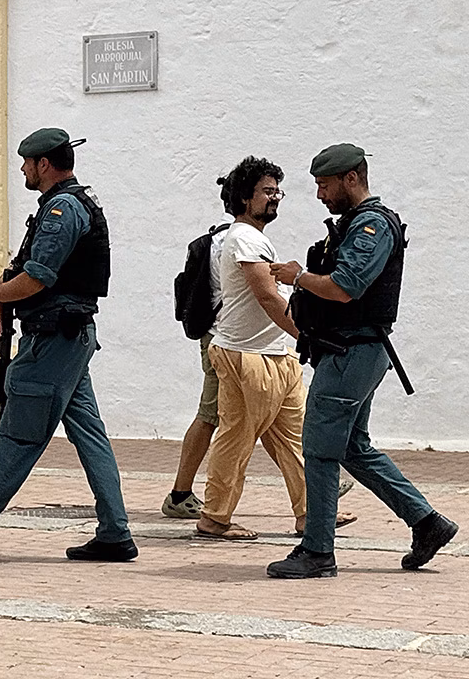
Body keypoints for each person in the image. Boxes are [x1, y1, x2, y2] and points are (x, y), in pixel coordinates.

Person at [0, 127, 136, 563]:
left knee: (20, 436)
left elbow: (38, 278)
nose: (22, 170)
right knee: (91, 437)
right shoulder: (67, 205)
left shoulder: (62, 210)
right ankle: (115, 532)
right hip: (69, 341)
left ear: (44, 165)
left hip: (54, 342)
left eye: (27, 163)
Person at [267, 143, 458, 578]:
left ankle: (317, 551)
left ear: (351, 178)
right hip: (351, 351)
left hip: (350, 353)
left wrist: (297, 276)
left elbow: (345, 287)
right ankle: (427, 522)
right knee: (353, 447)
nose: (320, 194)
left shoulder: (371, 225)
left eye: (325, 185)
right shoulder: (358, 223)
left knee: (317, 450)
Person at [196, 157, 356, 541]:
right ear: (243, 197)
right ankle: (215, 517)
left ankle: (312, 514)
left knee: (297, 439)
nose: (275, 198)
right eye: (266, 192)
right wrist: (309, 338)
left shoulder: (256, 238)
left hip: (275, 354)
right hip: (247, 355)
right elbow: (268, 298)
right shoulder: (244, 238)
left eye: (276, 191)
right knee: (237, 438)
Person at [163, 182, 230, 518]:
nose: (275, 197)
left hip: (228, 343)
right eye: (267, 191)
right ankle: (179, 493)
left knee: (276, 418)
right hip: (224, 344)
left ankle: (309, 484)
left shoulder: (224, 239)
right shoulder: (232, 244)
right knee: (208, 417)